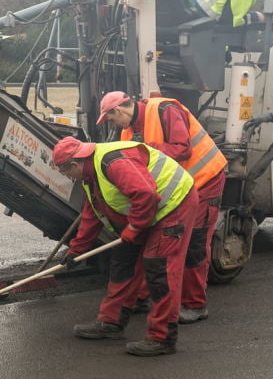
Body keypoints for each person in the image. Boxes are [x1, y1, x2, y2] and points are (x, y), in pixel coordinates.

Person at [52, 136, 198, 357]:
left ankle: (162, 338)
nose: (67, 177)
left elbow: (146, 194)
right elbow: (91, 214)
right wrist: (76, 251)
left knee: (159, 269)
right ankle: (111, 322)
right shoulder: (90, 176)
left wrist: (135, 227)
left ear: (74, 164)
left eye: (65, 172)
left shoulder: (112, 162)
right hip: (148, 212)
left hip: (174, 204)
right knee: (123, 260)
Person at [97, 91, 227, 323]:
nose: (113, 125)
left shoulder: (164, 109)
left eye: (111, 119)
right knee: (154, 241)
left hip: (204, 179)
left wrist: (144, 148)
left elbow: (182, 149)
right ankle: (145, 297)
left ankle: (195, 305)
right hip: (177, 190)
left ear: (119, 110)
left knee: (193, 245)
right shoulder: (127, 134)